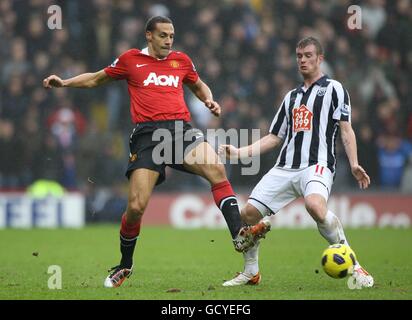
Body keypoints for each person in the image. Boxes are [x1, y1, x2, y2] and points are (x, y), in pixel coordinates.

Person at [43, 16, 266, 288]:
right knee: (136, 207)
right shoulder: (130, 60)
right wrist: (64, 83)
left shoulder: (181, 60)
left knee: (216, 168)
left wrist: (208, 99)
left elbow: (198, 84)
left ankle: (238, 235)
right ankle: (125, 265)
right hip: (147, 136)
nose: (169, 40)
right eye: (163, 35)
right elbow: (95, 79)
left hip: (180, 131)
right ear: (149, 35)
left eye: (171, 35)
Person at [219, 37, 374, 288]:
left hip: (318, 164)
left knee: (314, 205)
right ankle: (251, 272)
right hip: (285, 167)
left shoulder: (335, 88)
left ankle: (354, 264)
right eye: (299, 55)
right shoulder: (291, 97)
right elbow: (274, 137)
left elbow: (346, 130)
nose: (302, 60)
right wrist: (239, 152)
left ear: (320, 58)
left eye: (308, 55)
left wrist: (354, 163)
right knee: (247, 214)